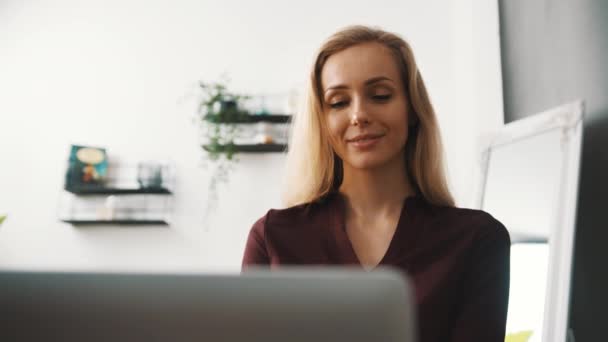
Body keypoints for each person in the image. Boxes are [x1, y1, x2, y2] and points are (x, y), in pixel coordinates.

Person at [242, 25, 510, 342]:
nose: (359, 115)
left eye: (380, 96)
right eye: (338, 102)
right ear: (322, 121)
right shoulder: (272, 238)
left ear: (412, 108)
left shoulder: (476, 239)